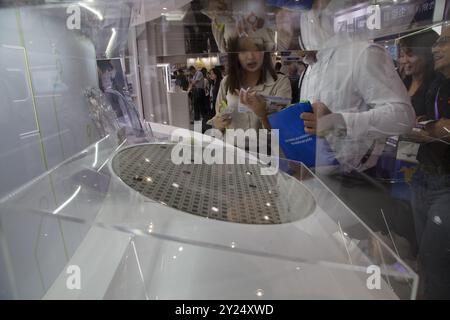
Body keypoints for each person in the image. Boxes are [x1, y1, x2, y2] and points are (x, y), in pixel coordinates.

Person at [407, 25, 450, 299]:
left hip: (446, 185)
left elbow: (435, 128)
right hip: (422, 178)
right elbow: (419, 123)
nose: (436, 47)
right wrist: (434, 128)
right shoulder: (436, 83)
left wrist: (433, 129)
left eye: (444, 42)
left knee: (436, 264)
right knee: (424, 259)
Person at [211, 36, 291, 135]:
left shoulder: (280, 82)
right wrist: (218, 124)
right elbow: (217, 118)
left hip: (266, 148)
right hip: (233, 147)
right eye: (243, 51)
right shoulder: (227, 82)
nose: (250, 56)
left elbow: (285, 130)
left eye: (257, 49)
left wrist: (263, 115)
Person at [399, 31, 439, 117]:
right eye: (402, 56)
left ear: (427, 56)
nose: (404, 61)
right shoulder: (402, 82)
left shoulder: (437, 86)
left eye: (410, 55)